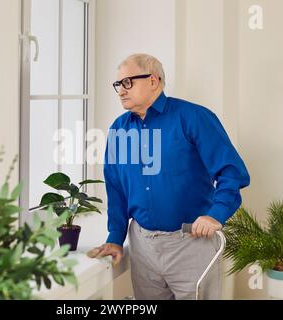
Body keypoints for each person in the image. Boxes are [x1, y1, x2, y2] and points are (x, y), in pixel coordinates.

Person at [88, 53, 250, 299]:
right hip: (142, 248)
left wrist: (216, 215)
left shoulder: (194, 117)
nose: (121, 90)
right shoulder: (118, 129)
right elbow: (116, 188)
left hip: (192, 243)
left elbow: (231, 171)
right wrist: (115, 237)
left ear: (153, 80)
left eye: (127, 82)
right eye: (118, 84)